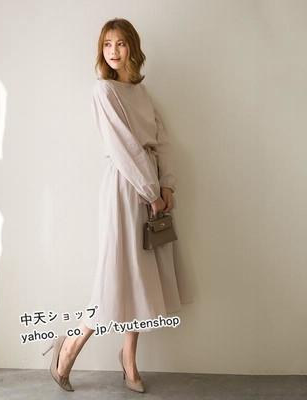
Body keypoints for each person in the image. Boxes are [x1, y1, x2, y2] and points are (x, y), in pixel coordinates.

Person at [43, 17, 186, 393]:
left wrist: (167, 185)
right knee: (114, 277)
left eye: (120, 43)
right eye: (107, 44)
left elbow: (163, 141)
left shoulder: (142, 92)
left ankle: (129, 359)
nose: (113, 51)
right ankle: (69, 347)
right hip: (125, 189)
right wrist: (152, 191)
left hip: (151, 189)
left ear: (132, 48)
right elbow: (124, 148)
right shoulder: (103, 90)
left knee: (141, 278)